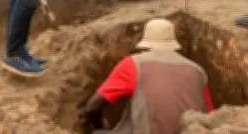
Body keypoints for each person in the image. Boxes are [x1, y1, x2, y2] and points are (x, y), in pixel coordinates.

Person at [79, 18, 213, 133]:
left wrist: (95, 124)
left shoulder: (133, 64)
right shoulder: (198, 71)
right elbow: (210, 115)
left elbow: (94, 104)